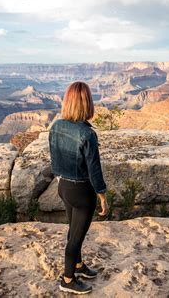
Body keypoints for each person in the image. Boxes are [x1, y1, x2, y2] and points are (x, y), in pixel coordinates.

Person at [48, 81, 109, 294]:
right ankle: (67, 279)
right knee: (75, 237)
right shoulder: (87, 134)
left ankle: (78, 265)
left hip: (63, 188)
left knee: (73, 230)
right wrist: (102, 195)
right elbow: (94, 170)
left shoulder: (55, 126)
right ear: (87, 104)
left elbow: (54, 159)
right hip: (83, 193)